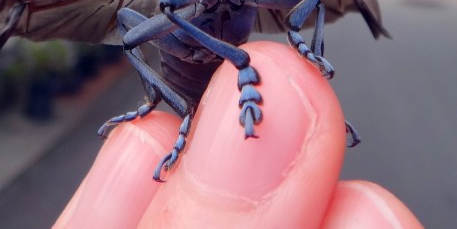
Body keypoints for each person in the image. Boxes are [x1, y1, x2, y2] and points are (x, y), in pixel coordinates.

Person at [53, 40, 424, 228]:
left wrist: (302, 42)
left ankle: (303, 64)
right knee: (135, 30)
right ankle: (160, 102)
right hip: (185, 61)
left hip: (223, 62)